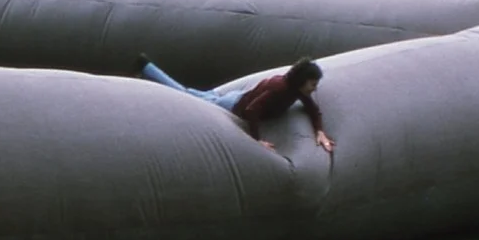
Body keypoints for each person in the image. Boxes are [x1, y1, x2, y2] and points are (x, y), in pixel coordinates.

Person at [134, 54, 336, 155]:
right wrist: (257, 140)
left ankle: (147, 68)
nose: (314, 88)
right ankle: (146, 67)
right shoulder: (280, 88)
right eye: (313, 84)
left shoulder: (295, 89)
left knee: (204, 95)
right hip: (234, 104)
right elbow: (251, 110)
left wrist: (320, 131)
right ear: (302, 81)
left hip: (241, 95)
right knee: (187, 96)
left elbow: (312, 108)